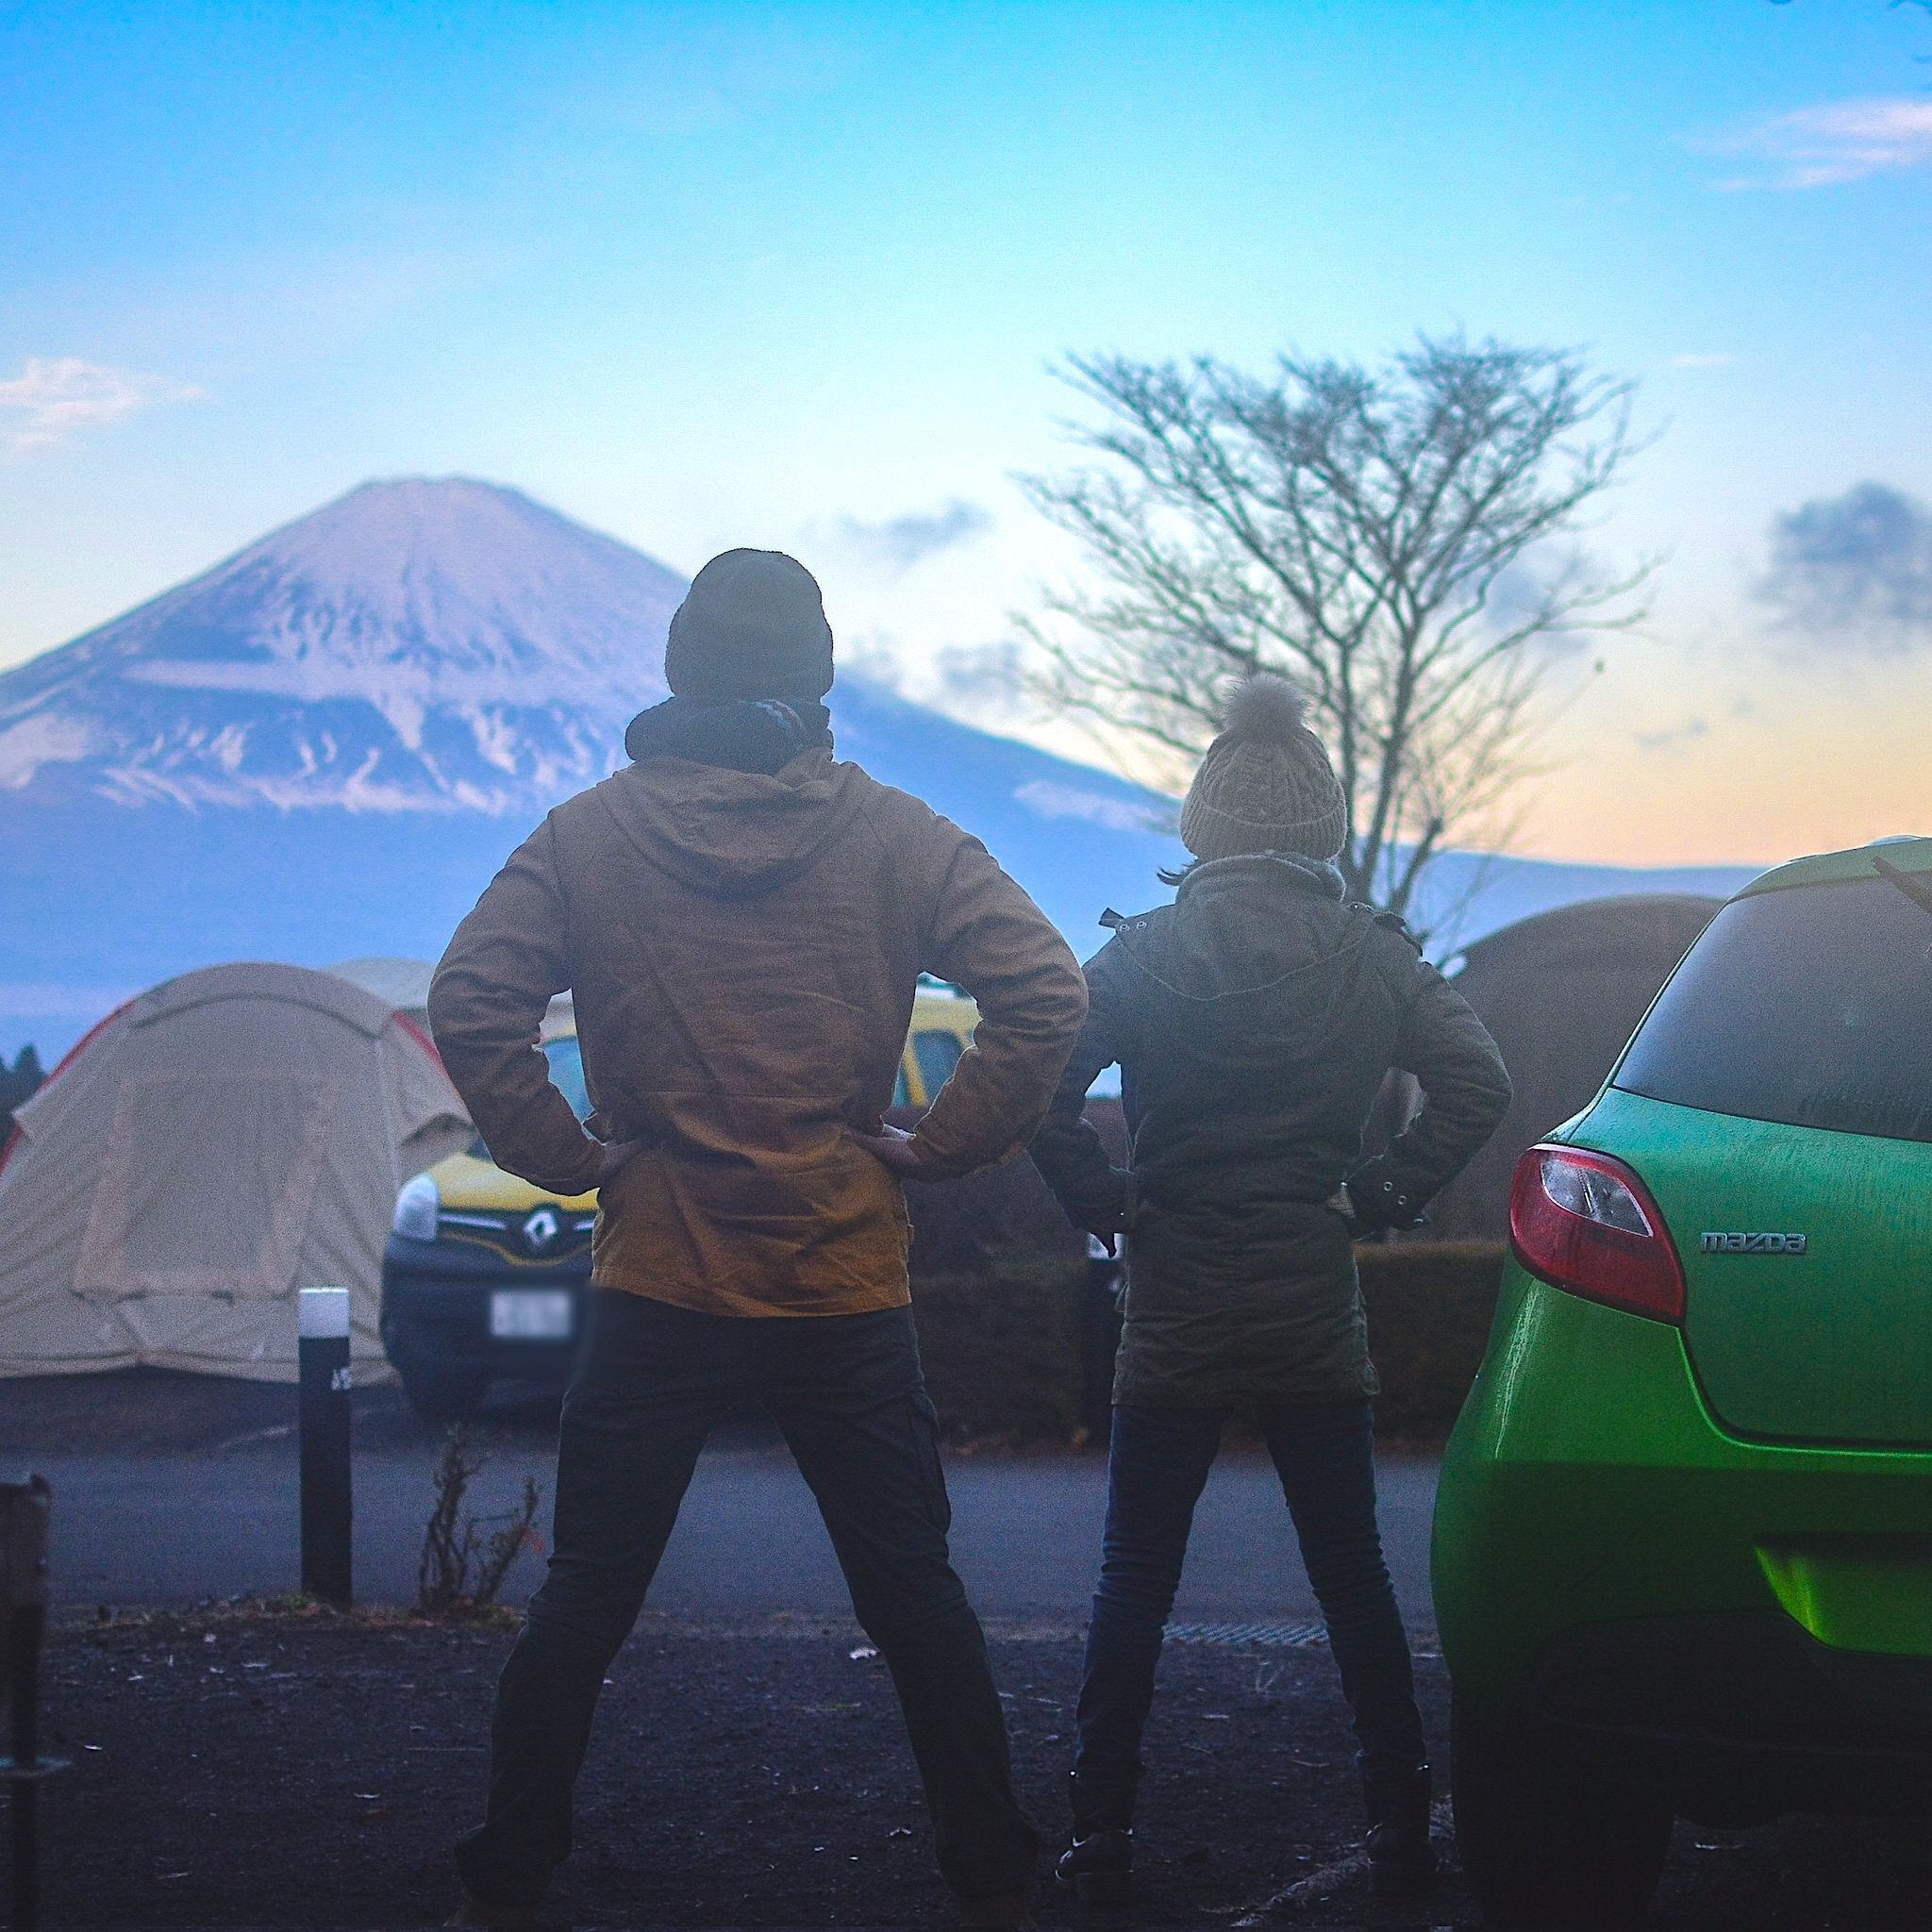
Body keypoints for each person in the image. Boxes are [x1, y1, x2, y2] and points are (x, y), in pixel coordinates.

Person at [427, 549, 1088, 1930]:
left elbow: (473, 999)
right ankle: (993, 1875)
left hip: (659, 1273)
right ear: (817, 675)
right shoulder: (896, 836)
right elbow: (1044, 988)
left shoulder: (588, 836)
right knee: (915, 1598)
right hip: (839, 1275)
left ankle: (509, 1875)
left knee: (587, 1597)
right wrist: (943, 1144)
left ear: (680, 668)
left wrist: (569, 1157)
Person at [1028, 674, 1511, 1907]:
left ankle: (1098, 1829)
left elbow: (1040, 1089)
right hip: (1310, 1297)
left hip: (1174, 1298)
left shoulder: (1139, 954)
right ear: (1321, 824)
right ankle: (1399, 1824)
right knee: (1352, 1574)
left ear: (1204, 824)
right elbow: (1479, 1083)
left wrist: (1106, 1203)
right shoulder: (1373, 957)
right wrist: (1379, 1193)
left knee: (1135, 1574)